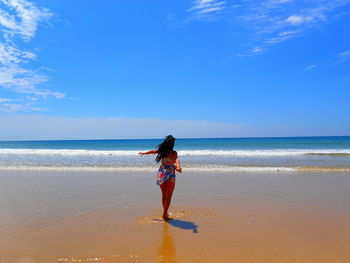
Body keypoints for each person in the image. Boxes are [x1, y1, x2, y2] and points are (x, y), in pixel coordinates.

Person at [139, 135, 182, 220]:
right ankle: (165, 214)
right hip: (170, 174)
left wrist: (144, 153)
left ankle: (165, 214)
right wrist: (178, 167)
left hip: (161, 173)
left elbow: (153, 151)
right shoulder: (174, 153)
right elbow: (177, 160)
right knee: (168, 196)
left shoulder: (162, 151)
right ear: (172, 144)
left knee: (164, 195)